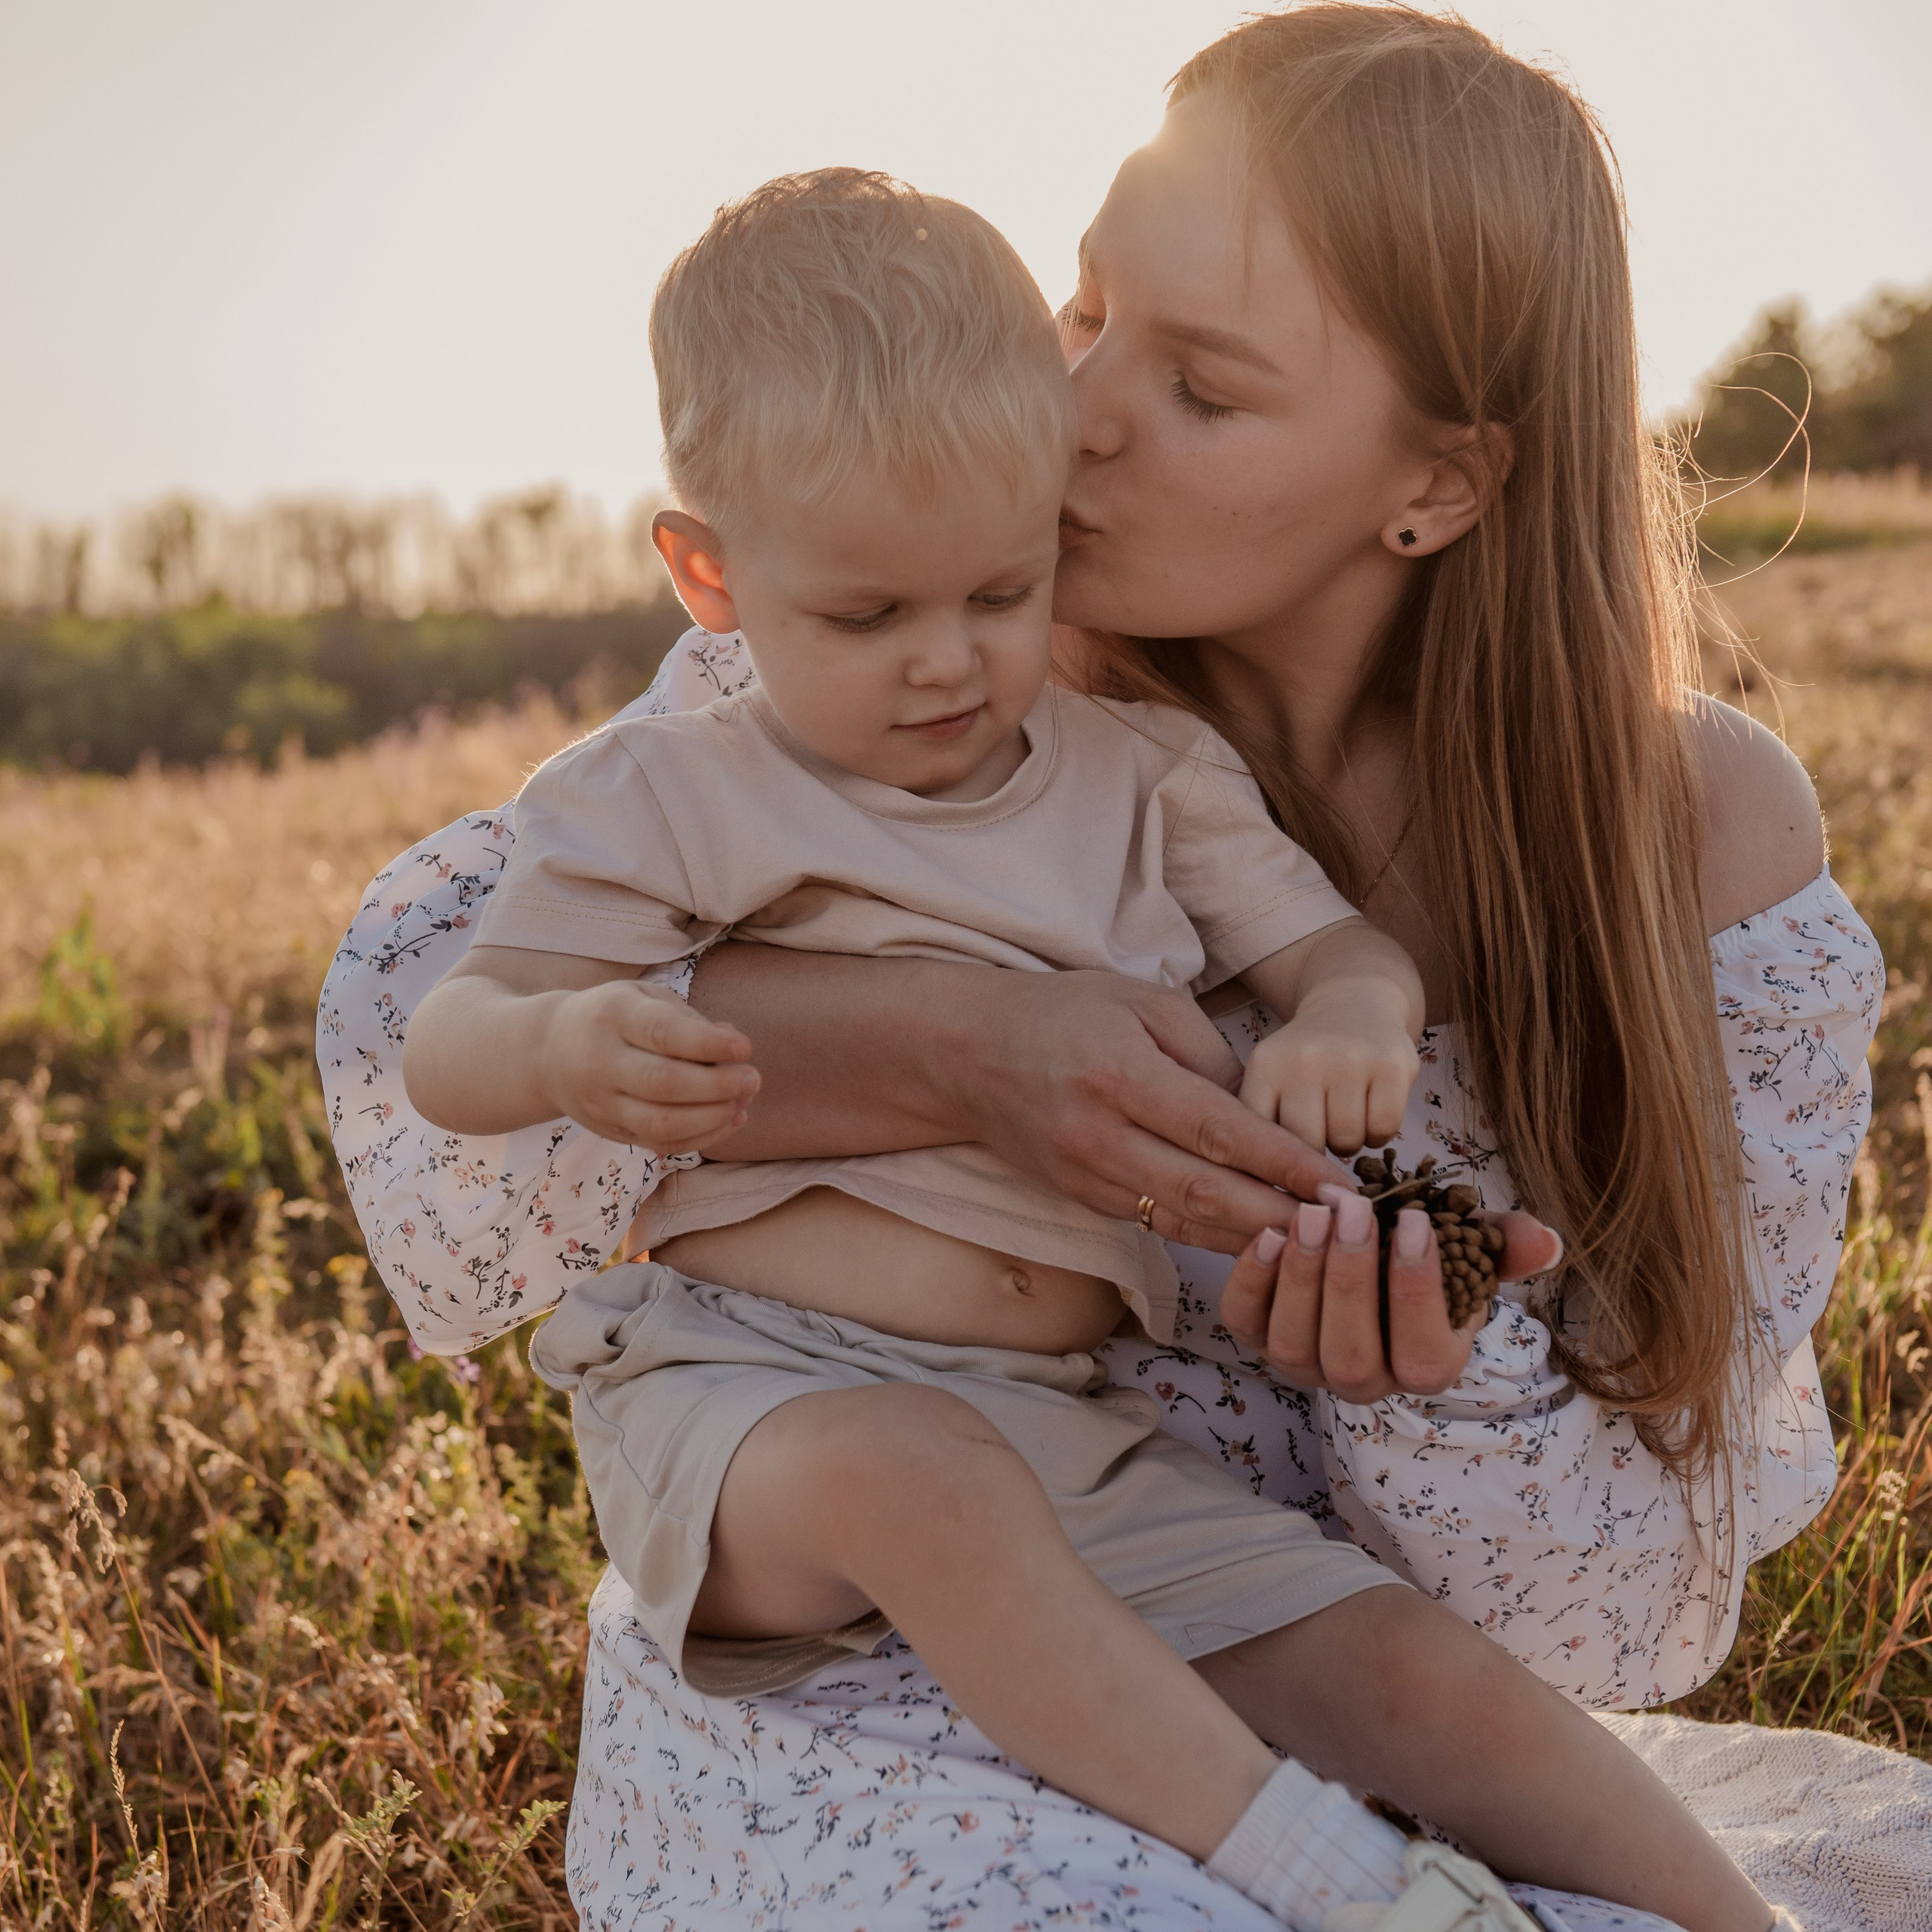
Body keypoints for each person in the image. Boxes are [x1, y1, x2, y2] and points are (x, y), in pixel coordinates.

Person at [318, 8, 1878, 1925]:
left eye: (1201, 385)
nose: (1075, 411)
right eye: (1082, 310)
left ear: (1440, 482)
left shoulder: (1673, 842)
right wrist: (948, 1044)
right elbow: (417, 1047)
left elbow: (1618, 1615)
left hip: (1249, 1617)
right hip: (850, 1673)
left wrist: (1419, 1379)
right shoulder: (908, 654)